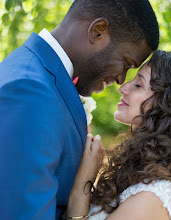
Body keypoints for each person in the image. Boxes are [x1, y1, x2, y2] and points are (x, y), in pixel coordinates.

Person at [0, 0, 159, 219]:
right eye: (126, 63)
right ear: (97, 31)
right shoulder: (30, 92)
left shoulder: (42, 77)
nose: (122, 78)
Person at [64, 50, 171, 220]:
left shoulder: (150, 199)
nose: (122, 88)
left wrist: (82, 184)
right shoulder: (145, 166)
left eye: (139, 85)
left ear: (166, 107)